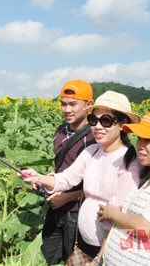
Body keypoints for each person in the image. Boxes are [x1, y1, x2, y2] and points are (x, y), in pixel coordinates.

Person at [20, 91, 142, 259]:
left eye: (106, 121)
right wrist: (38, 177)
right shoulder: (91, 151)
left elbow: (118, 216)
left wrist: (100, 257)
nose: (98, 126)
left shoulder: (129, 162)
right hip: (84, 241)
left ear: (122, 124)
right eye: (94, 120)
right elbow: (67, 178)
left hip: (108, 248)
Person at [89, 109, 150, 265]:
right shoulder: (149, 177)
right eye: (140, 138)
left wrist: (112, 214)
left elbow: (144, 227)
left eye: (148, 140)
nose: (140, 145)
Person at [40, 80, 96, 265]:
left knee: (73, 260)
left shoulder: (95, 135)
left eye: (73, 104)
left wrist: (67, 197)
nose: (67, 109)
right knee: (48, 255)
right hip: (55, 207)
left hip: (77, 211)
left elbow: (98, 185)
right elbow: (63, 167)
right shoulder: (60, 131)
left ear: (89, 105)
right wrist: (47, 179)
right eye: (64, 103)